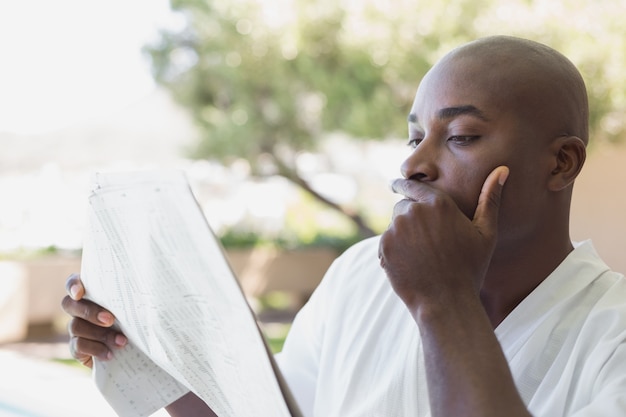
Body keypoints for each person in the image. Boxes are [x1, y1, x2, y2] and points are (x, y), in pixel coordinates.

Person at [62, 35, 626, 417]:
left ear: (561, 163)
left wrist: (444, 299)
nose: (413, 165)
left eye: (460, 137)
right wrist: (149, 346)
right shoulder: (362, 274)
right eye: (414, 137)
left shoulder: (612, 334)